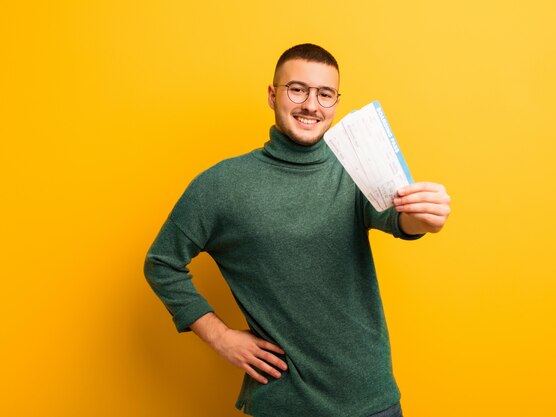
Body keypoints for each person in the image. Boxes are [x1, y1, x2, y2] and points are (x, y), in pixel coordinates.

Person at [144, 43, 451, 417]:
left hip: (372, 400)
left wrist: (425, 215)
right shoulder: (221, 185)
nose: (311, 105)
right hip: (284, 404)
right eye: (297, 90)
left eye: (325, 94)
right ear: (273, 95)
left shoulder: (355, 169)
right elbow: (162, 262)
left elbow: (400, 219)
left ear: (336, 103)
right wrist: (219, 336)